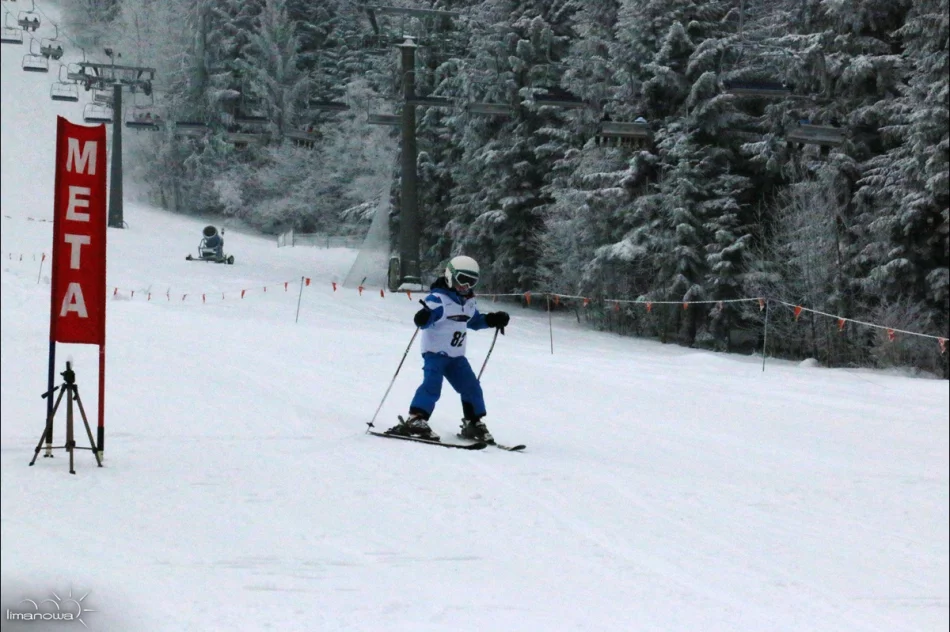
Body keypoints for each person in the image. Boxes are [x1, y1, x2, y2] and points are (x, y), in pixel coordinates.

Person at [386, 256, 510, 443]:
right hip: (435, 354)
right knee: (432, 385)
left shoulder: (468, 301)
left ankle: (473, 423)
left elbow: (474, 321)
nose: (465, 285)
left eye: (471, 281)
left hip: (457, 357)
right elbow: (427, 320)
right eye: (462, 279)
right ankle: (416, 419)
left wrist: (492, 320)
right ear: (451, 276)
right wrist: (424, 317)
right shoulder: (439, 299)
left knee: (471, 387)